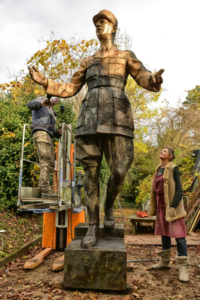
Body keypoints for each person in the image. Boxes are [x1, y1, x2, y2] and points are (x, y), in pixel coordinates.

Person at [28, 9, 164, 248]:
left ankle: (108, 204)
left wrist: (152, 80)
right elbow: (71, 88)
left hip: (118, 118)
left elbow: (141, 74)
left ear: (113, 28)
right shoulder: (87, 61)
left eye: (105, 22)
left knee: (120, 169)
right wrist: (46, 82)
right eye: (97, 23)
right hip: (89, 119)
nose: (100, 26)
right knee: (90, 174)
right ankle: (93, 225)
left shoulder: (125, 55)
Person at [148, 147, 189, 282]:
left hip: (172, 206)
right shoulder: (158, 169)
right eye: (161, 150)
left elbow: (179, 189)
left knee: (179, 236)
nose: (161, 151)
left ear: (170, 156)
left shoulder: (173, 168)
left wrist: (172, 205)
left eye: (164, 151)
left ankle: (183, 268)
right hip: (161, 205)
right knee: (164, 233)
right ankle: (165, 262)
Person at [27, 96, 61, 199]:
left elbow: (52, 131)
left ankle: (41, 189)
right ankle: (45, 190)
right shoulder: (41, 99)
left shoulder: (52, 111)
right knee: (46, 161)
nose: (56, 100)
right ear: (50, 97)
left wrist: (58, 133)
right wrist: (42, 103)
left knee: (50, 163)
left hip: (48, 136)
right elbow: (29, 105)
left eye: (58, 99)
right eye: (55, 98)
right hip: (41, 133)